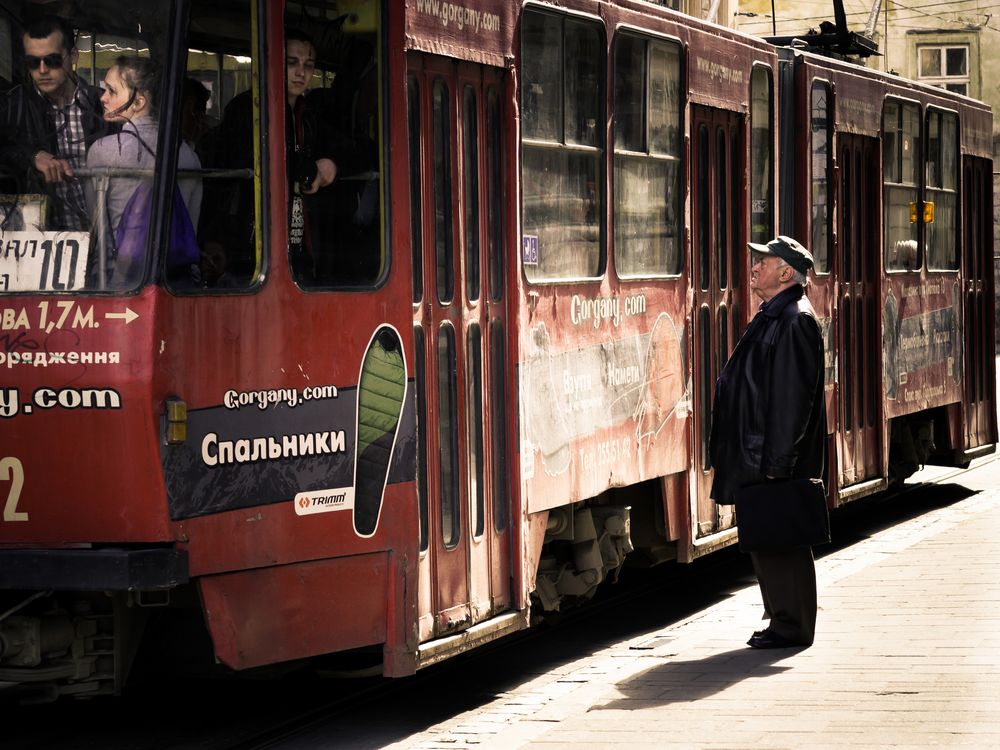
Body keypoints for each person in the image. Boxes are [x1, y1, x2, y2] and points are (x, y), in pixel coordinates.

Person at [709, 235, 827, 649]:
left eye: (764, 261)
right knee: (768, 540)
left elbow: (793, 400)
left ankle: (791, 626)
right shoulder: (777, 313)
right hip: (759, 452)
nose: (754, 267)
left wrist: (779, 461)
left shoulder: (795, 319)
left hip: (772, 456)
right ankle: (782, 619)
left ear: (786, 272)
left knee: (782, 542)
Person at [85, 56, 201, 287]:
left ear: (138, 103)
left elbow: (100, 231)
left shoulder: (102, 151)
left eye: (111, 91)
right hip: (176, 282)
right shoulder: (188, 154)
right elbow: (191, 225)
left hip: (121, 280)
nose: (103, 98)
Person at [0, 15, 112, 230]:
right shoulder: (12, 107)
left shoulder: (103, 104)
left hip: (105, 242)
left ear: (73, 56)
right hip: (43, 245)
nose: (42, 70)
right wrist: (32, 156)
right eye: (33, 62)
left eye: (52, 60)